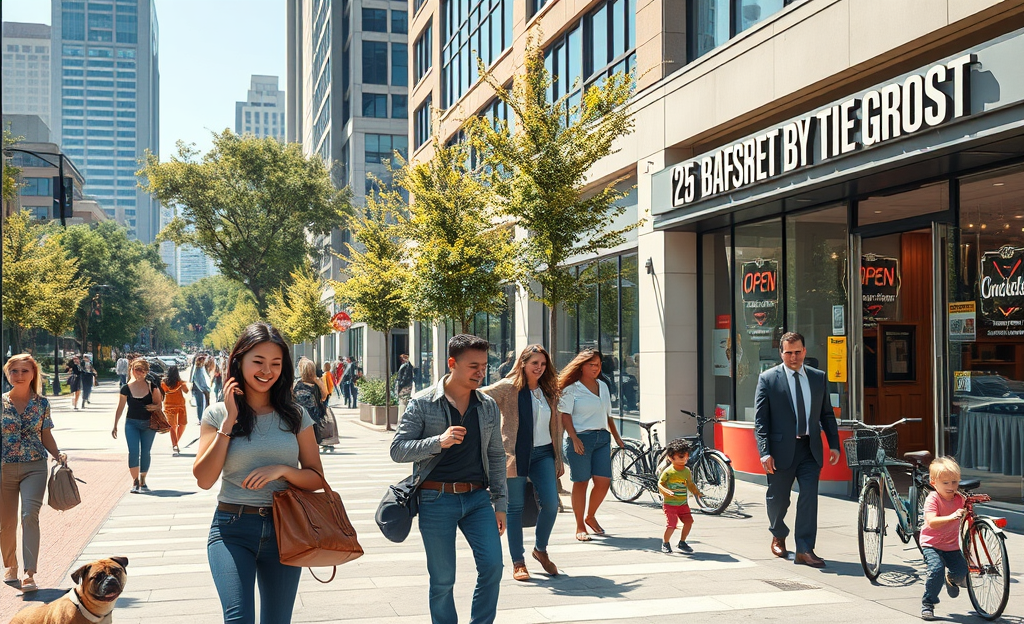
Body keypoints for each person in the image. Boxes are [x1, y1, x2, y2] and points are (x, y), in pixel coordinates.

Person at [193, 322, 321, 624]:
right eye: (258, 362)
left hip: (285, 529)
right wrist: (229, 424)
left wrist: (283, 470)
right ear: (240, 361)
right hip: (232, 528)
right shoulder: (217, 414)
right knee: (238, 619)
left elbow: (316, 477)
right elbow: (204, 479)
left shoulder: (295, 414)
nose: (267, 371)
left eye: (275, 364)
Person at [391, 334, 506, 624]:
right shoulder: (422, 403)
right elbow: (398, 449)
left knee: (493, 566)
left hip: (478, 499)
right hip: (435, 498)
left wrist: (500, 503)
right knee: (443, 579)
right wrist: (437, 441)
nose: (481, 373)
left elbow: (496, 455)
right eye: (473, 366)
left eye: (484, 366)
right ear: (452, 363)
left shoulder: (488, 405)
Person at [754, 331, 840, 568]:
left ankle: (804, 548)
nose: (794, 357)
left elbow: (826, 413)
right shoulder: (768, 379)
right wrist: (765, 451)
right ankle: (778, 533)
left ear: (804, 351)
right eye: (788, 352)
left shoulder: (817, 377)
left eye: (798, 352)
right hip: (781, 450)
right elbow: (761, 421)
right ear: (781, 353)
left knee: (809, 497)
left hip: (810, 449)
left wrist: (833, 444)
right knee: (778, 499)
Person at [481, 344, 563, 581]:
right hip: (515, 454)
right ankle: (518, 562)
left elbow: (555, 428)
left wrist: (558, 458)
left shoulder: (548, 390)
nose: (539, 368)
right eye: (534, 363)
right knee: (514, 508)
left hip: (544, 453)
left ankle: (541, 549)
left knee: (550, 503)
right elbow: (481, 395)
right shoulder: (509, 388)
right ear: (523, 363)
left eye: (543, 364)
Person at [1, 354, 67, 593]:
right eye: (14, 371)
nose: (19, 376)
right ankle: (10, 565)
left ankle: (29, 573)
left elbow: (45, 434)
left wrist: (58, 454)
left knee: (30, 515)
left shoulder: (42, 403)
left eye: (24, 371)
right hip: (3, 468)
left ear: (33, 374)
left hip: (34, 465)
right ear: (7, 374)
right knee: (6, 523)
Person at [559, 349, 625, 542]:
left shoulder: (603, 386)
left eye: (598, 365)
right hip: (580, 438)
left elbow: (608, 415)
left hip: (602, 439)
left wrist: (617, 437)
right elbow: (565, 415)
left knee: (604, 481)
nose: (596, 368)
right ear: (581, 366)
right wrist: (574, 438)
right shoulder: (571, 388)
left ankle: (590, 516)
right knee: (581, 481)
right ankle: (580, 525)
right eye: (592, 365)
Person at [919, 457, 969, 621]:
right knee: (936, 570)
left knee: (962, 570)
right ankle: (928, 603)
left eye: (954, 482)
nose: (951, 487)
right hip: (931, 544)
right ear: (934, 483)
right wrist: (952, 516)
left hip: (952, 545)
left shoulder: (960, 499)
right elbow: (932, 522)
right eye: (945, 483)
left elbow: (967, 513)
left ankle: (951, 580)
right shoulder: (933, 499)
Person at [112, 358, 163, 494]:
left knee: (145, 452)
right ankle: (135, 481)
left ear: (146, 371)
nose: (139, 373)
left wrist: (154, 406)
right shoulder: (126, 388)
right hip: (131, 423)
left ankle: (143, 479)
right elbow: (120, 407)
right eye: (137, 369)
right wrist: (115, 424)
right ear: (132, 370)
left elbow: (159, 404)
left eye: (142, 370)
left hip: (148, 424)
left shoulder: (152, 386)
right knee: (133, 452)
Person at [657, 438, 701, 554]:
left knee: (688, 522)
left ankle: (682, 542)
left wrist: (696, 492)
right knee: (672, 525)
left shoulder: (686, 471)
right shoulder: (668, 472)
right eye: (681, 457)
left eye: (687, 456)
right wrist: (665, 491)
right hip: (670, 504)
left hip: (683, 503)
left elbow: (690, 483)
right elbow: (660, 484)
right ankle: (666, 543)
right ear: (671, 458)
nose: (685, 459)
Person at [293, 359, 327, 445]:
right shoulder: (318, 384)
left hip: (299, 419)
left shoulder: (298, 384)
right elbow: (323, 398)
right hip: (314, 419)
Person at [161, 365, 190, 457]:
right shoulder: (180, 382)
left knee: (172, 426)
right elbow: (186, 391)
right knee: (182, 424)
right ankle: (175, 443)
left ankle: (175, 443)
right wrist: (183, 384)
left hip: (169, 405)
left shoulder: (164, 382)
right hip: (180, 405)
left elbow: (163, 393)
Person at [192, 354, 211, 425]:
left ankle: (201, 418)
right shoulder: (198, 369)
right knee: (200, 405)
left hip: (201, 389)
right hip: (199, 389)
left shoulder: (200, 369)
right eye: (203, 360)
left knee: (202, 404)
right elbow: (197, 380)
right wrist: (203, 389)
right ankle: (200, 419)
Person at [395, 354, 415, 418]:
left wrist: (401, 385)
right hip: (405, 385)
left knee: (403, 402)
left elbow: (404, 377)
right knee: (403, 402)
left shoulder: (406, 366)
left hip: (404, 386)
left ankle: (402, 417)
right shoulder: (406, 365)